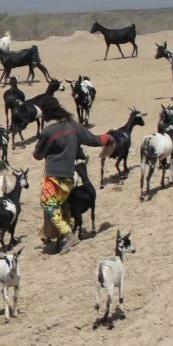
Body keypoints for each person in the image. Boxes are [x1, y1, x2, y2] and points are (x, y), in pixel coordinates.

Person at [32, 100, 113, 254]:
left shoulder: (48, 132)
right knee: (62, 205)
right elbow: (94, 140)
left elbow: (37, 155)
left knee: (49, 206)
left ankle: (68, 235)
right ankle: (62, 236)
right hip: (69, 176)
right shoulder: (73, 125)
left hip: (54, 177)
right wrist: (108, 137)